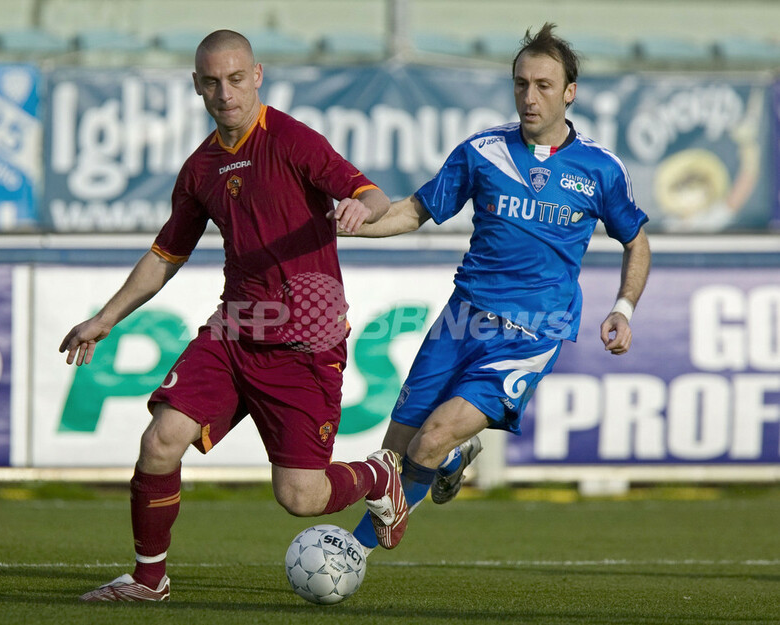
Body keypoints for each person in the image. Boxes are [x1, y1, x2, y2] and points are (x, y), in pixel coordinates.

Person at [60, 29, 408, 602]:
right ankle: (149, 581)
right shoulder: (199, 169)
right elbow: (165, 254)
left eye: (237, 79)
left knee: (300, 497)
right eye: (213, 82)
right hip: (234, 333)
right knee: (161, 439)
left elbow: (369, 193)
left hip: (306, 343)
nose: (226, 93)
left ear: (258, 76)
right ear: (197, 86)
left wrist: (358, 207)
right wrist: (107, 318)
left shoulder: (293, 141)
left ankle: (378, 475)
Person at [349, 23, 651, 553]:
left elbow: (637, 241)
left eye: (543, 85)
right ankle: (444, 464)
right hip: (461, 319)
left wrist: (623, 308)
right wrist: (344, 223)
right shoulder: (482, 151)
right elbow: (414, 211)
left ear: (570, 92)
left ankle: (350, 552)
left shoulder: (601, 169)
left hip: (530, 335)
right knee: (396, 453)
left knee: (436, 431)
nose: (529, 97)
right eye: (520, 84)